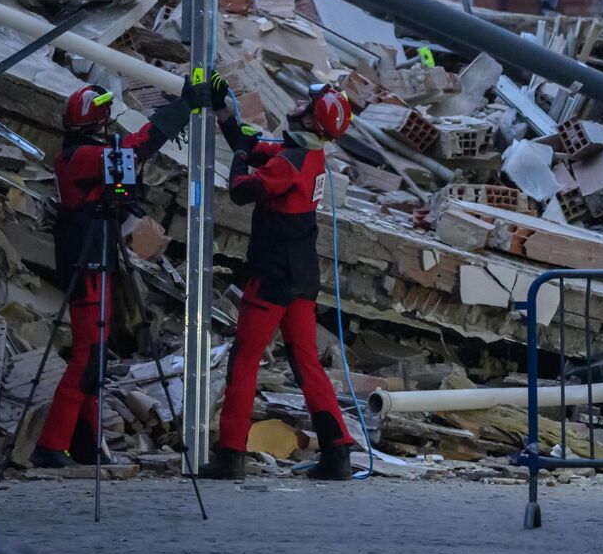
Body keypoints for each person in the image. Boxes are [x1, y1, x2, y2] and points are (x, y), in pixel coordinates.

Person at [31, 78, 212, 469]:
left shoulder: (73, 155)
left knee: (94, 356)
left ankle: (84, 444)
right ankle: (51, 444)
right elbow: (136, 147)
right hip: (88, 263)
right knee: (88, 357)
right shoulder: (82, 158)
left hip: (94, 259)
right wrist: (180, 110)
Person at [197, 84, 360, 482]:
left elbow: (240, 191)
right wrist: (222, 108)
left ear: (310, 120)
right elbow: (250, 146)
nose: (297, 104)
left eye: (306, 104)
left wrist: (237, 158)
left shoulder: (288, 163)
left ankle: (231, 453)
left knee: (245, 359)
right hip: (301, 277)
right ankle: (338, 453)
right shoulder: (307, 155)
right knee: (307, 365)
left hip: (272, 277)